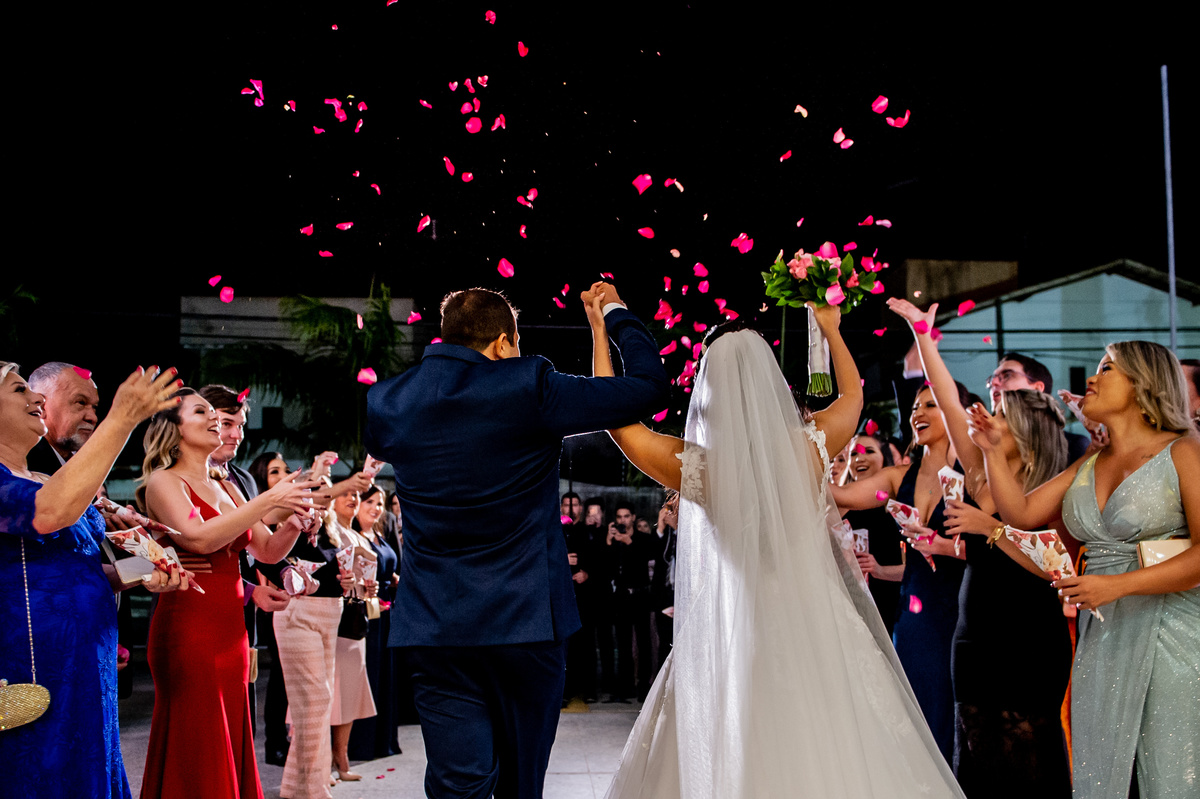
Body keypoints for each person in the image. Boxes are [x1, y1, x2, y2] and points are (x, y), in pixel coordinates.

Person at [594, 306, 966, 799]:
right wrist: (830, 330)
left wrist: (602, 328)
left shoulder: (698, 467)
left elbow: (619, 424)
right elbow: (853, 396)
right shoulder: (808, 448)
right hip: (814, 622)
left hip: (728, 625)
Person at [364, 283, 668, 799]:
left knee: (457, 784)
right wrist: (614, 314)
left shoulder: (387, 400)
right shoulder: (529, 385)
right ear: (503, 342)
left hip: (434, 627)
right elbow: (647, 388)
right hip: (525, 623)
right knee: (520, 784)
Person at [972, 341, 1200, 799]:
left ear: (1142, 383)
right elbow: (1020, 514)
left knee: (1171, 771)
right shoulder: (1090, 463)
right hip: (1103, 636)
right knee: (1099, 768)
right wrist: (992, 452)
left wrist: (1116, 586)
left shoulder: (1184, 451)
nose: (1092, 378)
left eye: (1107, 368)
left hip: (1171, 633)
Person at [890, 298, 1072, 796]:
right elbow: (948, 400)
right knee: (973, 760)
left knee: (1028, 761)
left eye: (1001, 415)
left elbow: (1052, 564)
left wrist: (989, 527)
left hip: (1031, 637)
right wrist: (923, 335)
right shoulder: (976, 471)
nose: (987, 419)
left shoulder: (1052, 487)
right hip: (973, 638)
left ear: (1027, 435)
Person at [1, 361, 185, 799]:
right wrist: (122, 418)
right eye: (19, 389)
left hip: (87, 665)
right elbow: (49, 512)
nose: (35, 399)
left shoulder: (45, 478)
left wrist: (147, 570)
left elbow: (79, 569)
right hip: (35, 670)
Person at [137, 389, 321, 799]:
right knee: (198, 741)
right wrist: (270, 499)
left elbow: (267, 550)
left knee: (227, 734)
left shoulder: (228, 487)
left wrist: (294, 523)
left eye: (212, 412)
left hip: (230, 630)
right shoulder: (164, 481)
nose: (213, 419)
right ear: (174, 428)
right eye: (200, 411)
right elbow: (199, 538)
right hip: (189, 628)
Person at [831, 382, 972, 760]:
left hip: (960, 611)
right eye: (914, 407)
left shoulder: (975, 474)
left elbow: (997, 545)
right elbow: (840, 496)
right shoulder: (898, 477)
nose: (917, 413)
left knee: (953, 717)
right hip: (913, 617)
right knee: (913, 714)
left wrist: (945, 546)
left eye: (930, 404)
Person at [326, 491, 377, 781]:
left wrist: (370, 589)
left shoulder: (358, 535)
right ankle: (323, 760)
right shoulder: (328, 529)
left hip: (356, 618)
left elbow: (367, 578)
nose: (352, 498)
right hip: (333, 617)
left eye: (356, 494)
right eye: (345, 493)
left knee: (349, 691)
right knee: (328, 692)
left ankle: (341, 757)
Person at [348, 485, 400, 760]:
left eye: (379, 503)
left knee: (385, 678)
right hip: (365, 614)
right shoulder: (352, 537)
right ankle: (363, 743)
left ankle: (383, 740)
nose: (376, 508)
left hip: (387, 614)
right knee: (367, 676)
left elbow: (391, 569)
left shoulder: (379, 535)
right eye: (369, 501)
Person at [839, 431, 903, 637]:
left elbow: (916, 567)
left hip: (892, 609)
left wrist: (880, 570)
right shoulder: (838, 510)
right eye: (854, 454)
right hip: (849, 611)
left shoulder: (898, 508)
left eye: (869, 451)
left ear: (884, 458)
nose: (860, 458)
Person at [985, 353, 1089, 462]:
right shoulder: (984, 444)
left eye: (1007, 375)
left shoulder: (1072, 447)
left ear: (1037, 389)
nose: (994, 382)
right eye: (992, 379)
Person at [24, 361, 101, 474]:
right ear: (41, 406)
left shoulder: (89, 464)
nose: (93, 418)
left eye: (94, 407)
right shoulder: (21, 465)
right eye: (80, 402)